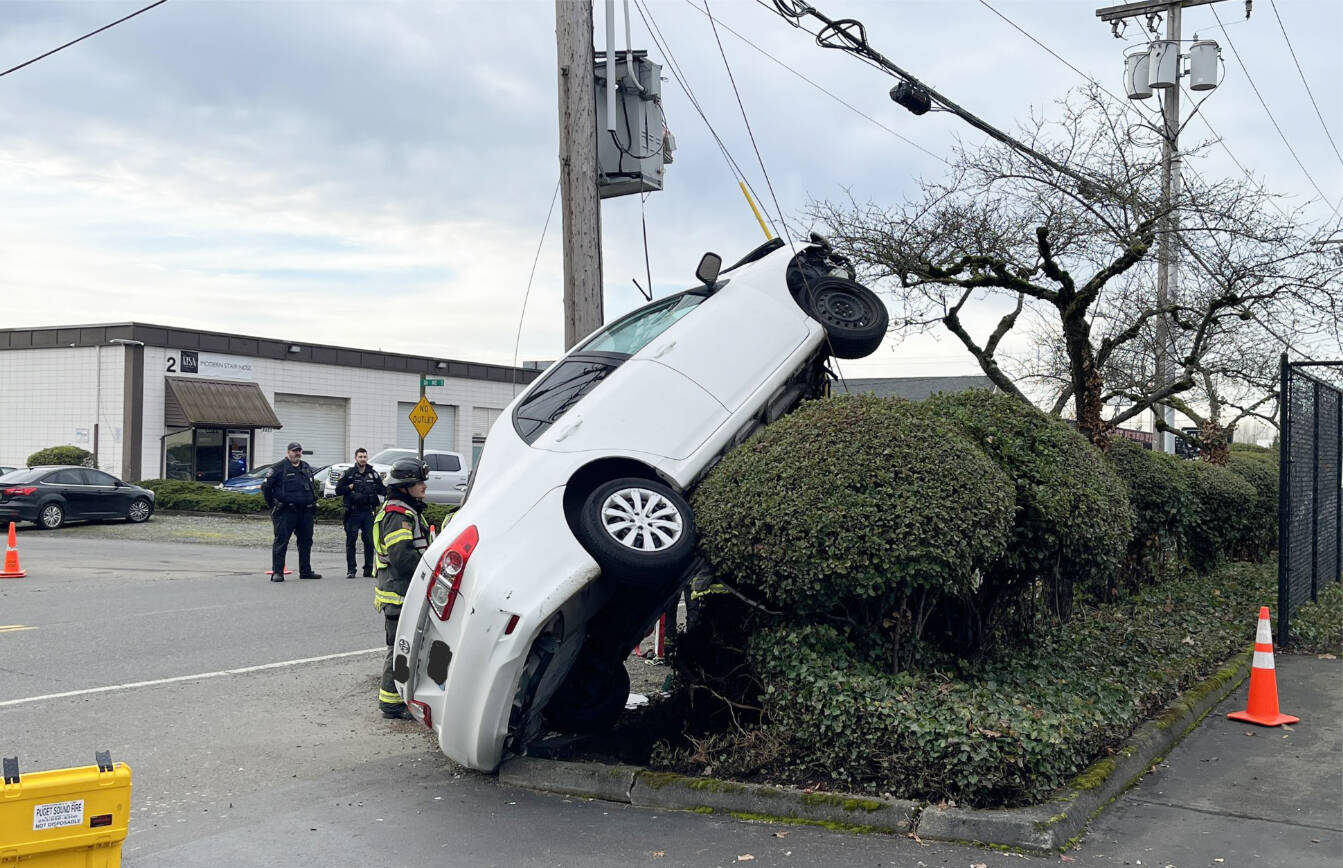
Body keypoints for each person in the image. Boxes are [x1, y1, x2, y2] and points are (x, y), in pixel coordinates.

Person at [373, 457, 434, 719]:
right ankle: (391, 703)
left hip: (404, 592)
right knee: (400, 649)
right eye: (419, 482)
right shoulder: (398, 516)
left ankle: (400, 697)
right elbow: (402, 557)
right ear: (406, 486)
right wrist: (432, 572)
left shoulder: (407, 512)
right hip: (399, 595)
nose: (424, 486)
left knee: (405, 648)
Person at [261, 441, 321, 581]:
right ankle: (278, 572)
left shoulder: (305, 466)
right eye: (294, 451)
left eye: (299, 451)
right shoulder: (278, 468)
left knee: (306, 541)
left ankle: (305, 571)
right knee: (281, 542)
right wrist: (273, 506)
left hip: (305, 511)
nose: (297, 453)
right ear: (288, 452)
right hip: (286, 512)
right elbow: (266, 488)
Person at [335, 447, 386, 578]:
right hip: (353, 512)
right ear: (356, 458)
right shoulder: (349, 473)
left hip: (368, 512)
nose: (363, 459)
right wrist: (349, 487)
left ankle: (368, 569)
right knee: (351, 541)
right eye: (360, 457)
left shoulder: (373, 474)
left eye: (365, 457)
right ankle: (351, 570)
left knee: (369, 541)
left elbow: (383, 490)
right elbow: (338, 490)